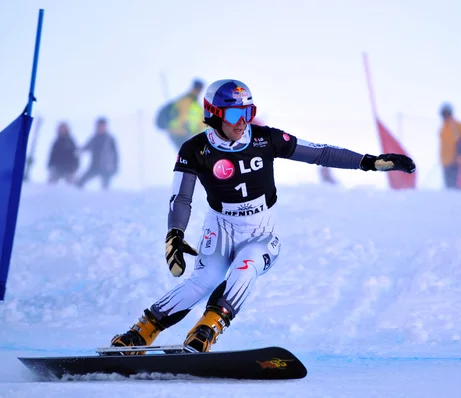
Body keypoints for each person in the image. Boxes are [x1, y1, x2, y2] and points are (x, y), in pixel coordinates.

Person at [109, 79, 416, 354]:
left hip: (261, 232)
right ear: (214, 113)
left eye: (249, 112)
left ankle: (206, 330)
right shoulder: (195, 149)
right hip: (220, 227)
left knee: (246, 267)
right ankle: (143, 332)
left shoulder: (266, 139)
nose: (243, 122)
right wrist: (174, 233)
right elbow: (182, 196)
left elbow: (319, 152)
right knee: (202, 281)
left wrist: (369, 162)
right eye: (234, 115)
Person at [157, 79, 207, 150]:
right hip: (179, 133)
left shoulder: (193, 103)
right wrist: (186, 128)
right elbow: (182, 117)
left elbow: (201, 121)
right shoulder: (185, 101)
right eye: (198, 88)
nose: (198, 91)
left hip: (183, 134)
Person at [438, 103, 461, 191]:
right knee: (449, 186)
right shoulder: (443, 128)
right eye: (444, 113)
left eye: (447, 113)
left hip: (457, 161)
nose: (446, 115)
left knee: (458, 185)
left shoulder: (457, 126)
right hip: (445, 161)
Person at [76, 117, 119, 190]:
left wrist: (115, 166)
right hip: (94, 166)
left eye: (103, 126)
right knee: (80, 182)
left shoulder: (110, 139)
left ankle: (104, 199)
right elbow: (86, 147)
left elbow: (115, 154)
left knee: (105, 188)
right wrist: (79, 151)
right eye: (99, 126)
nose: (101, 128)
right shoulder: (94, 138)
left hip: (106, 168)